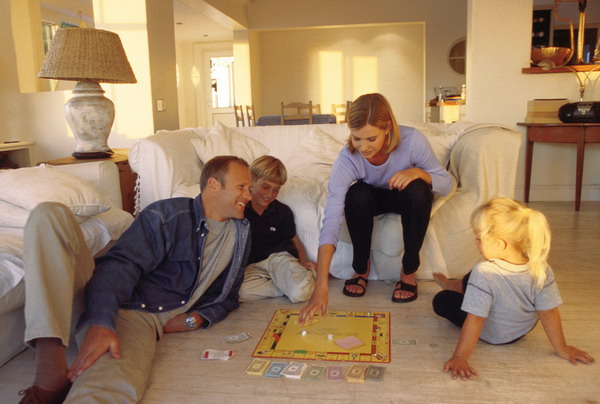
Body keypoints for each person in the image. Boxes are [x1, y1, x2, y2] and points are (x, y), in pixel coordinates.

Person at [18, 155, 253, 403]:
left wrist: (196, 318)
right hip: (120, 301)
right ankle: (49, 370)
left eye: (250, 188)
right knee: (49, 214)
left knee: (108, 387)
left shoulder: (241, 234)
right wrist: (101, 321)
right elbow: (121, 265)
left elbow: (228, 295)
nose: (249, 195)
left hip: (137, 319)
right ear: (213, 185)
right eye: (241, 187)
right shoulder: (168, 215)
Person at [299, 93, 452, 323]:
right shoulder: (348, 157)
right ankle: (361, 268)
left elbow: (447, 184)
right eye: (356, 138)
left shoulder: (412, 140)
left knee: (419, 190)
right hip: (372, 199)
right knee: (356, 194)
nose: (363, 147)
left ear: (387, 127)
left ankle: (408, 271)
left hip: (405, 196)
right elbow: (331, 221)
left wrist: (418, 172)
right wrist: (321, 286)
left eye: (371, 138)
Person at [432, 197, 595, 381]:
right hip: (518, 333)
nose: (476, 243)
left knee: (442, 299)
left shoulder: (484, 272)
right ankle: (456, 285)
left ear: (500, 244)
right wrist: (562, 348)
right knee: (476, 276)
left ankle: (450, 286)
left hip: (491, 333)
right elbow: (548, 312)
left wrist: (460, 357)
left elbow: (476, 319)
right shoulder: (541, 268)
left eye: (478, 238)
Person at [238, 155, 316, 303]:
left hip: (280, 259)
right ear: (252, 180)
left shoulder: (282, 211)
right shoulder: (240, 209)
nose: (270, 194)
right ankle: (288, 287)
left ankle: (303, 279)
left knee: (300, 294)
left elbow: (296, 242)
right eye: (265, 187)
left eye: (276, 190)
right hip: (254, 266)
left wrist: (303, 263)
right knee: (239, 293)